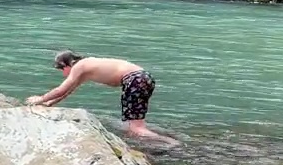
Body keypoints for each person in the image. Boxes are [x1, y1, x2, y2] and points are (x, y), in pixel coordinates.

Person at [25, 50, 179, 145]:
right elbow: (68, 91)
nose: (62, 73)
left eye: (61, 69)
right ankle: (158, 139)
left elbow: (61, 89)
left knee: (136, 129)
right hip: (143, 78)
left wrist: (40, 99)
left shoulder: (80, 66)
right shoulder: (85, 67)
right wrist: (49, 103)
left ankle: (169, 142)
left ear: (65, 64)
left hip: (134, 80)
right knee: (135, 125)